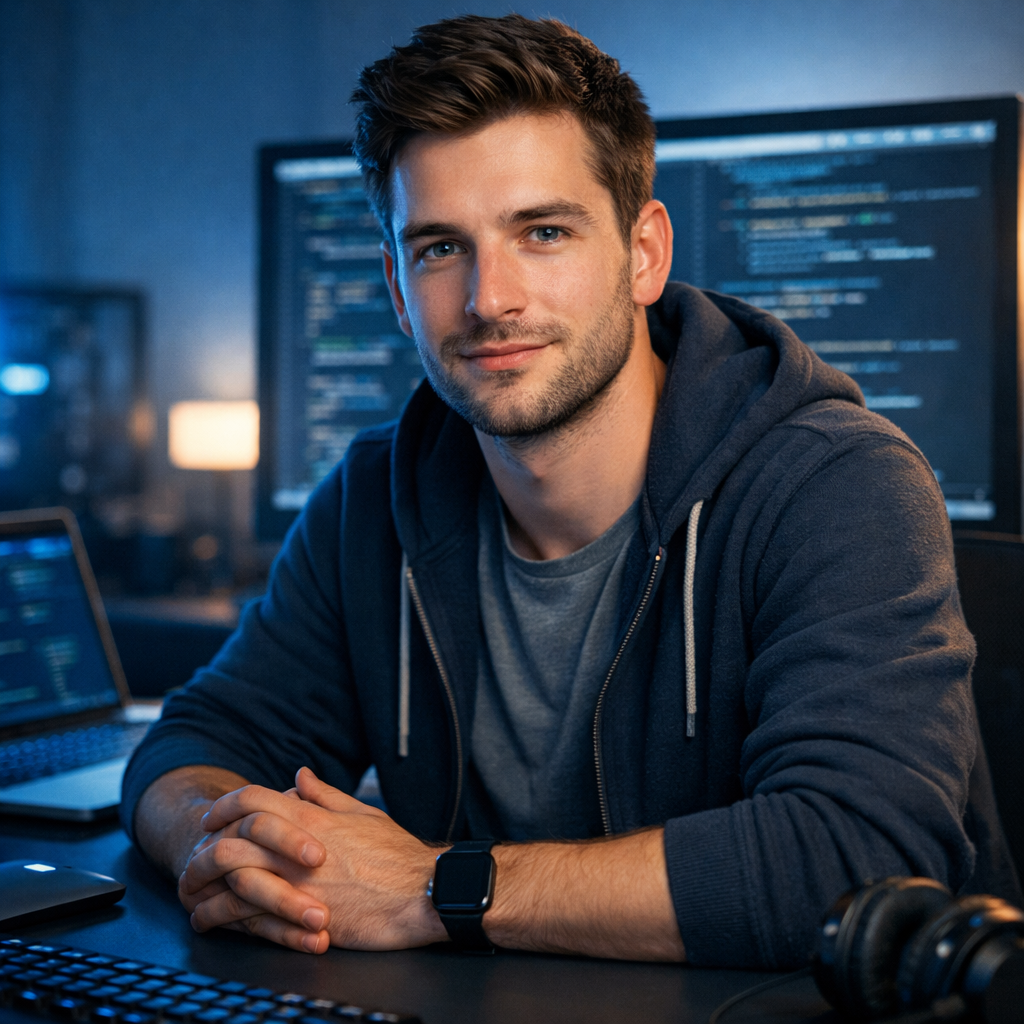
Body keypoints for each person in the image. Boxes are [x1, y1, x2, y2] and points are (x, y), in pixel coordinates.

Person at [122, 14, 1019, 969]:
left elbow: (856, 860)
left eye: (542, 231)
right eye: (438, 248)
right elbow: (197, 741)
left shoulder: (838, 484)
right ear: (393, 285)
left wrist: (433, 886)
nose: (489, 299)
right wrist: (232, 853)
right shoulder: (374, 495)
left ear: (644, 254)